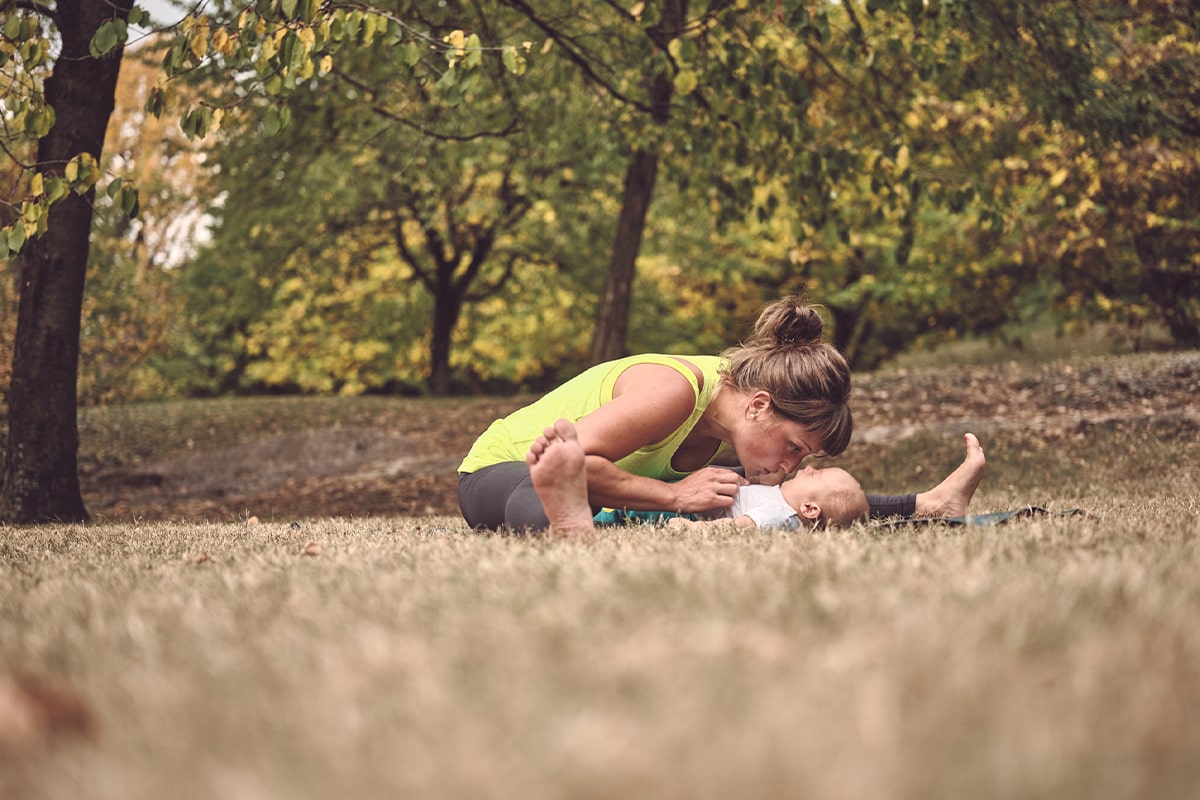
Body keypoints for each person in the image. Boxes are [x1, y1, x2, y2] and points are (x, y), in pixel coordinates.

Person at [458, 296, 985, 533]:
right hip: (500, 472)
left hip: (593, 490)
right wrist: (671, 496)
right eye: (795, 447)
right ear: (759, 406)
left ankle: (927, 505)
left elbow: (802, 498)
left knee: (777, 494)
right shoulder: (675, 392)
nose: (791, 466)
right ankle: (564, 529)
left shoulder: (731, 427)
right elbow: (568, 462)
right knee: (539, 488)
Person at [669, 463, 871, 530]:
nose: (808, 468)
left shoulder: (780, 514)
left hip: (690, 512)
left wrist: (697, 528)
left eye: (815, 475)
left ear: (809, 509)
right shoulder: (780, 500)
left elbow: (742, 526)